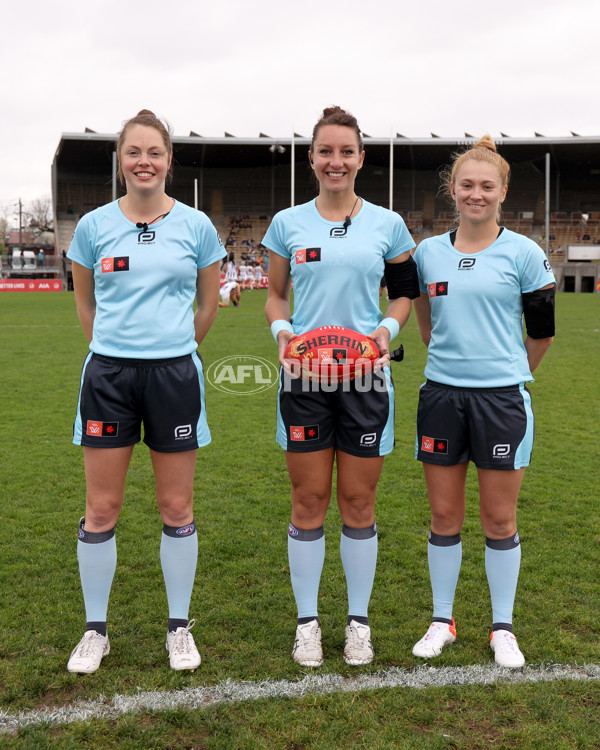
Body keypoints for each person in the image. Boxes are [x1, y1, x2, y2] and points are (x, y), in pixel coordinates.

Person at [66, 109, 224, 674]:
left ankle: (179, 628)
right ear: (120, 161)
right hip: (108, 376)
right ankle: (95, 630)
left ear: (169, 161)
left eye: (154, 152)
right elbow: (85, 303)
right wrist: (113, 346)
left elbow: (207, 304)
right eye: (133, 152)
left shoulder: (197, 226)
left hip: (174, 376)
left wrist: (175, 346)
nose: (144, 162)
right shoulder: (91, 226)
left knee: (176, 505)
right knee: (101, 507)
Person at [263, 106, 419, 667]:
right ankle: (307, 623)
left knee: (358, 500)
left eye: (346, 152)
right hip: (304, 376)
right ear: (312, 159)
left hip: (366, 376)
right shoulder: (287, 224)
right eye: (326, 151)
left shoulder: (388, 224)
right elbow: (276, 296)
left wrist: (384, 331)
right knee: (308, 500)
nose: (336, 161)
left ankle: (358, 622)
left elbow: (404, 293)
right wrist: (284, 334)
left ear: (360, 158)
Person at [411, 135, 555, 668]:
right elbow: (427, 326)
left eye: (486, 186)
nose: (476, 194)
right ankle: (442, 620)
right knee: (444, 515)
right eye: (467, 185)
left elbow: (541, 335)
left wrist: (509, 374)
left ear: (502, 191)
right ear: (452, 189)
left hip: (502, 403)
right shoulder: (428, 253)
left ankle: (502, 628)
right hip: (442, 396)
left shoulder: (525, 253)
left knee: (499, 519)